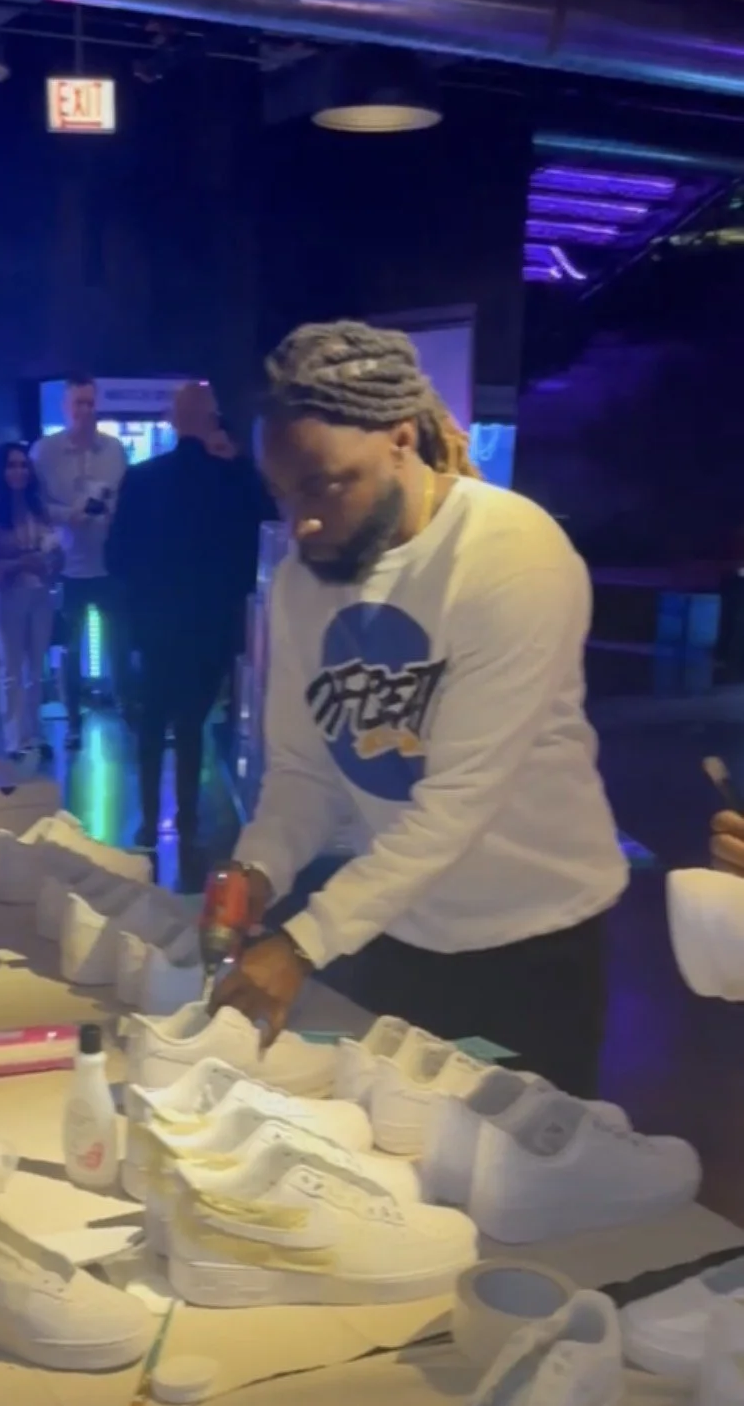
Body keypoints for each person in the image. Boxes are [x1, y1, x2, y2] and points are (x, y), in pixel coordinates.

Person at [216, 322, 628, 1098]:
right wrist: (256, 869)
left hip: (531, 942)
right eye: (280, 491)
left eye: (322, 484)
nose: (300, 520)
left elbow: (454, 806)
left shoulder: (511, 555)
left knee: (516, 1195)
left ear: (401, 438)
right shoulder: (307, 581)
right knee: (392, 1165)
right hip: (397, 928)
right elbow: (303, 771)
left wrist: (301, 945)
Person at [108, 381, 265, 872]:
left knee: (151, 722)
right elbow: (257, 545)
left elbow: (116, 557)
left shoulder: (141, 478)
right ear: (213, 419)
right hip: (210, 623)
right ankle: (190, 823)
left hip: (155, 621)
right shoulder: (236, 480)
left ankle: (148, 821)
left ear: (173, 420)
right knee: (193, 723)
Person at [31, 378, 127, 747]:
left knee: (119, 641)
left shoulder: (114, 450)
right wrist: (67, 514)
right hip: (67, 566)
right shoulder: (45, 451)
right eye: (78, 405)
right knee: (68, 649)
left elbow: (124, 499)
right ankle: (72, 720)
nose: (86, 411)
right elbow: (36, 505)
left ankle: (125, 708)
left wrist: (107, 510)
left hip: (110, 564)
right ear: (65, 408)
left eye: (90, 403)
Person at [0, 442, 60, 761]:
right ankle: (15, 739)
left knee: (36, 670)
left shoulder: (39, 507)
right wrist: (23, 562)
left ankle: (35, 734)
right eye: (12, 465)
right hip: (6, 595)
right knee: (11, 668)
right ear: (2, 471)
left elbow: (56, 553)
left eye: (24, 465)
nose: (19, 471)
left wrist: (50, 560)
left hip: (40, 594)